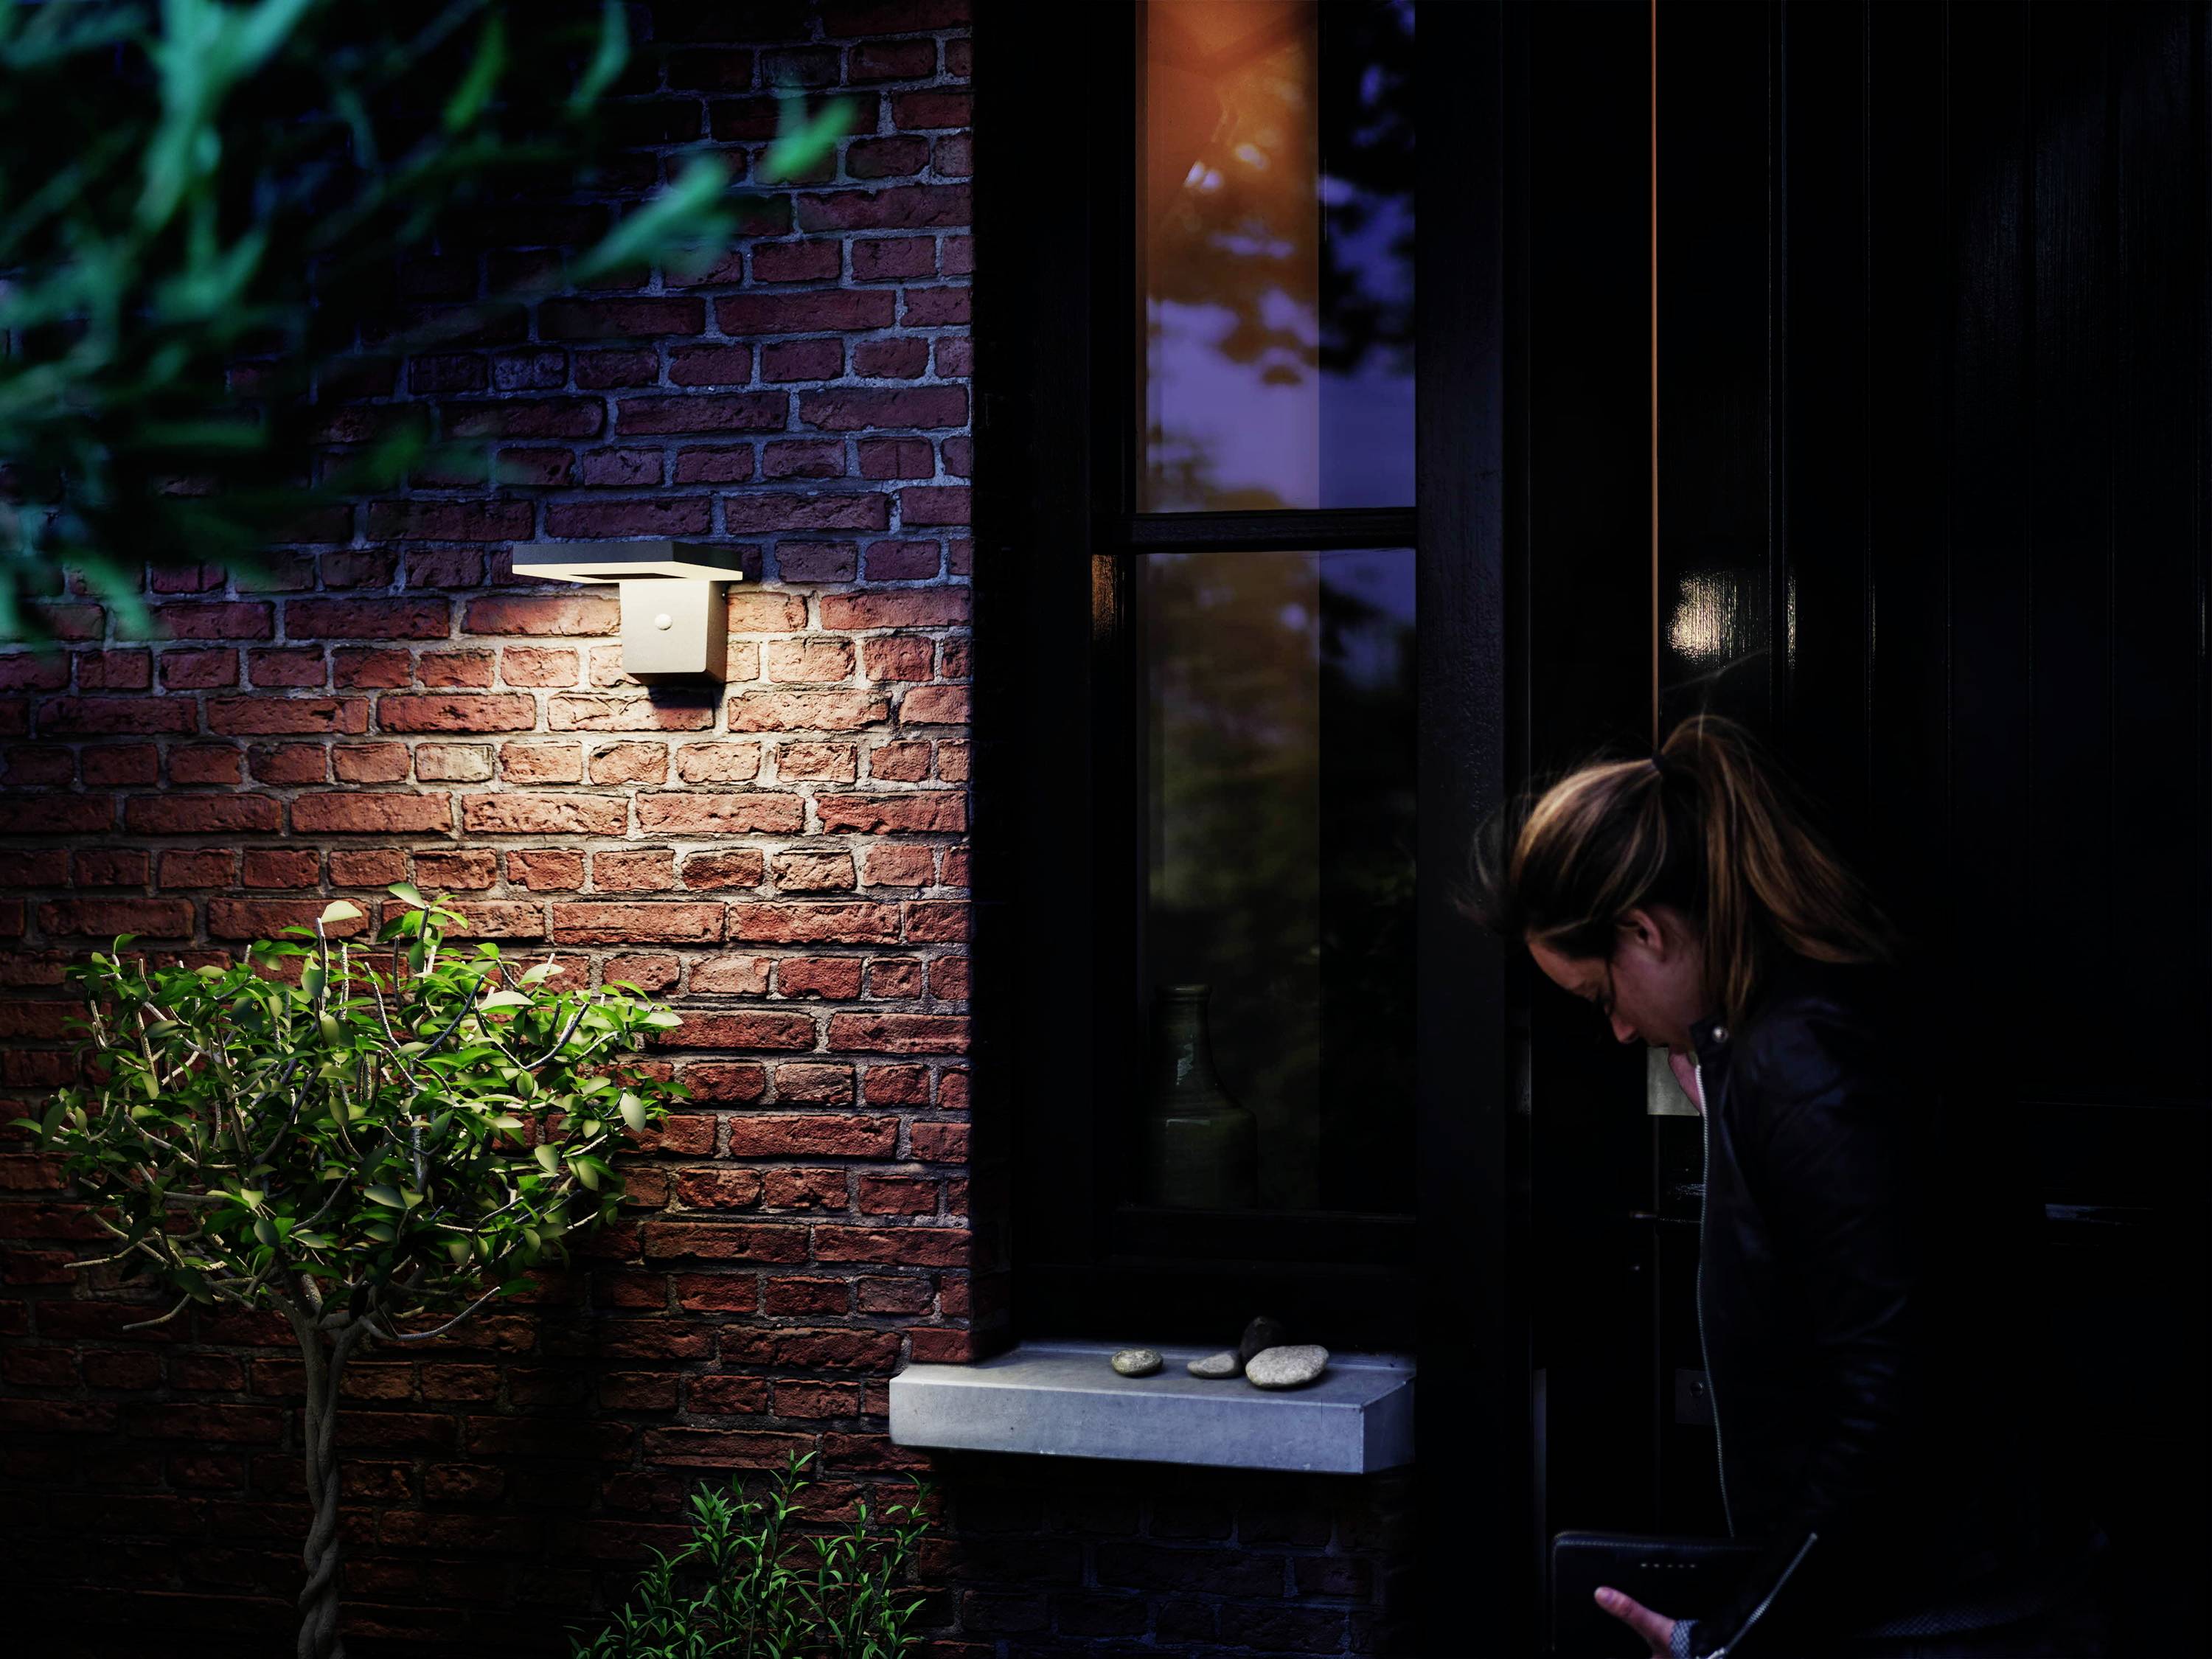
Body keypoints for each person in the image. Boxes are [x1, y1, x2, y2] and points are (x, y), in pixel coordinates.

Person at [1462, 714, 2112, 1658]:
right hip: (1944, 1596)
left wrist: (1733, 1639)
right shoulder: (1796, 1032)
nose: (1615, 1031)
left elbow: (1891, 1395)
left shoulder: (1804, 1061)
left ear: (1644, 929)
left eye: (1599, 997)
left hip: (1943, 1621)